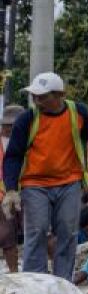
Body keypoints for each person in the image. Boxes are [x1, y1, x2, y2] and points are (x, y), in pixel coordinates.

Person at [1, 73, 88, 279]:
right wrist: (11, 189)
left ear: (59, 95)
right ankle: (36, 283)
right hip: (35, 183)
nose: (37, 101)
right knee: (37, 231)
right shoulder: (26, 120)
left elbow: (84, 132)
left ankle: (63, 282)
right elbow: (13, 157)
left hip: (69, 182)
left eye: (42, 97)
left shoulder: (78, 112)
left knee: (67, 232)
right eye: (34, 96)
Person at [0, 105, 26, 272]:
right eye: (6, 124)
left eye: (12, 124)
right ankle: (15, 273)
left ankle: (47, 275)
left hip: (30, 192)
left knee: (39, 234)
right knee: (6, 237)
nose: (8, 128)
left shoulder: (29, 139)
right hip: (3, 196)